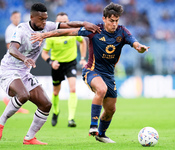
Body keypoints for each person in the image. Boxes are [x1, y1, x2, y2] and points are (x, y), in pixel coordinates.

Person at [31, 2, 149, 143]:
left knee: (111, 109)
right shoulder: (94, 30)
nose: (114, 24)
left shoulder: (122, 31)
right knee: (101, 89)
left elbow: (134, 42)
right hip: (92, 71)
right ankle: (93, 126)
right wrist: (45, 35)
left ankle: (102, 134)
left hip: (109, 75)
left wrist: (139, 47)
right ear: (104, 18)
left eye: (116, 20)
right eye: (111, 21)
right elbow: (66, 32)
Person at [0, 2, 100, 145]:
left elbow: (68, 25)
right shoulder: (21, 29)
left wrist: (85, 23)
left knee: (46, 104)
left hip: (24, 72)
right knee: (23, 95)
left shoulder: (47, 26)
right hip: (9, 70)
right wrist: (25, 58)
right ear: (32, 17)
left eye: (46, 18)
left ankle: (29, 138)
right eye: (41, 19)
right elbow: (12, 49)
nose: (44, 22)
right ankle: (1, 123)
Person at [41, 12, 87, 127]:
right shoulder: (52, 36)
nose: (63, 24)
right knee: (56, 91)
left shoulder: (72, 32)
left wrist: (82, 58)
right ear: (56, 23)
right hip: (57, 65)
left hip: (70, 63)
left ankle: (71, 118)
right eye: (60, 22)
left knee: (73, 89)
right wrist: (51, 62)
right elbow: (44, 53)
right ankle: (56, 111)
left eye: (65, 22)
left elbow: (83, 42)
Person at [4, 11, 29, 114]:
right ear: (11, 18)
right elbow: (9, 46)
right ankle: (11, 102)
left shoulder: (19, 28)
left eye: (18, 17)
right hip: (12, 61)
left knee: (19, 83)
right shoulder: (10, 29)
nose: (17, 19)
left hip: (17, 61)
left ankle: (13, 103)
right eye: (15, 17)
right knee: (17, 83)